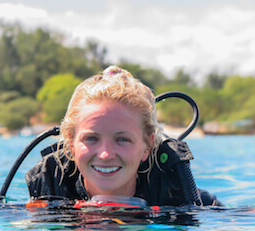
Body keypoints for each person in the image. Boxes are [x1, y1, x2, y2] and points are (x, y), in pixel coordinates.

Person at [26, 65, 223, 207]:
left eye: (122, 139)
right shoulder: (46, 201)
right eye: (91, 138)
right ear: (70, 143)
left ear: (147, 145)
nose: (105, 154)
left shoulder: (187, 201)